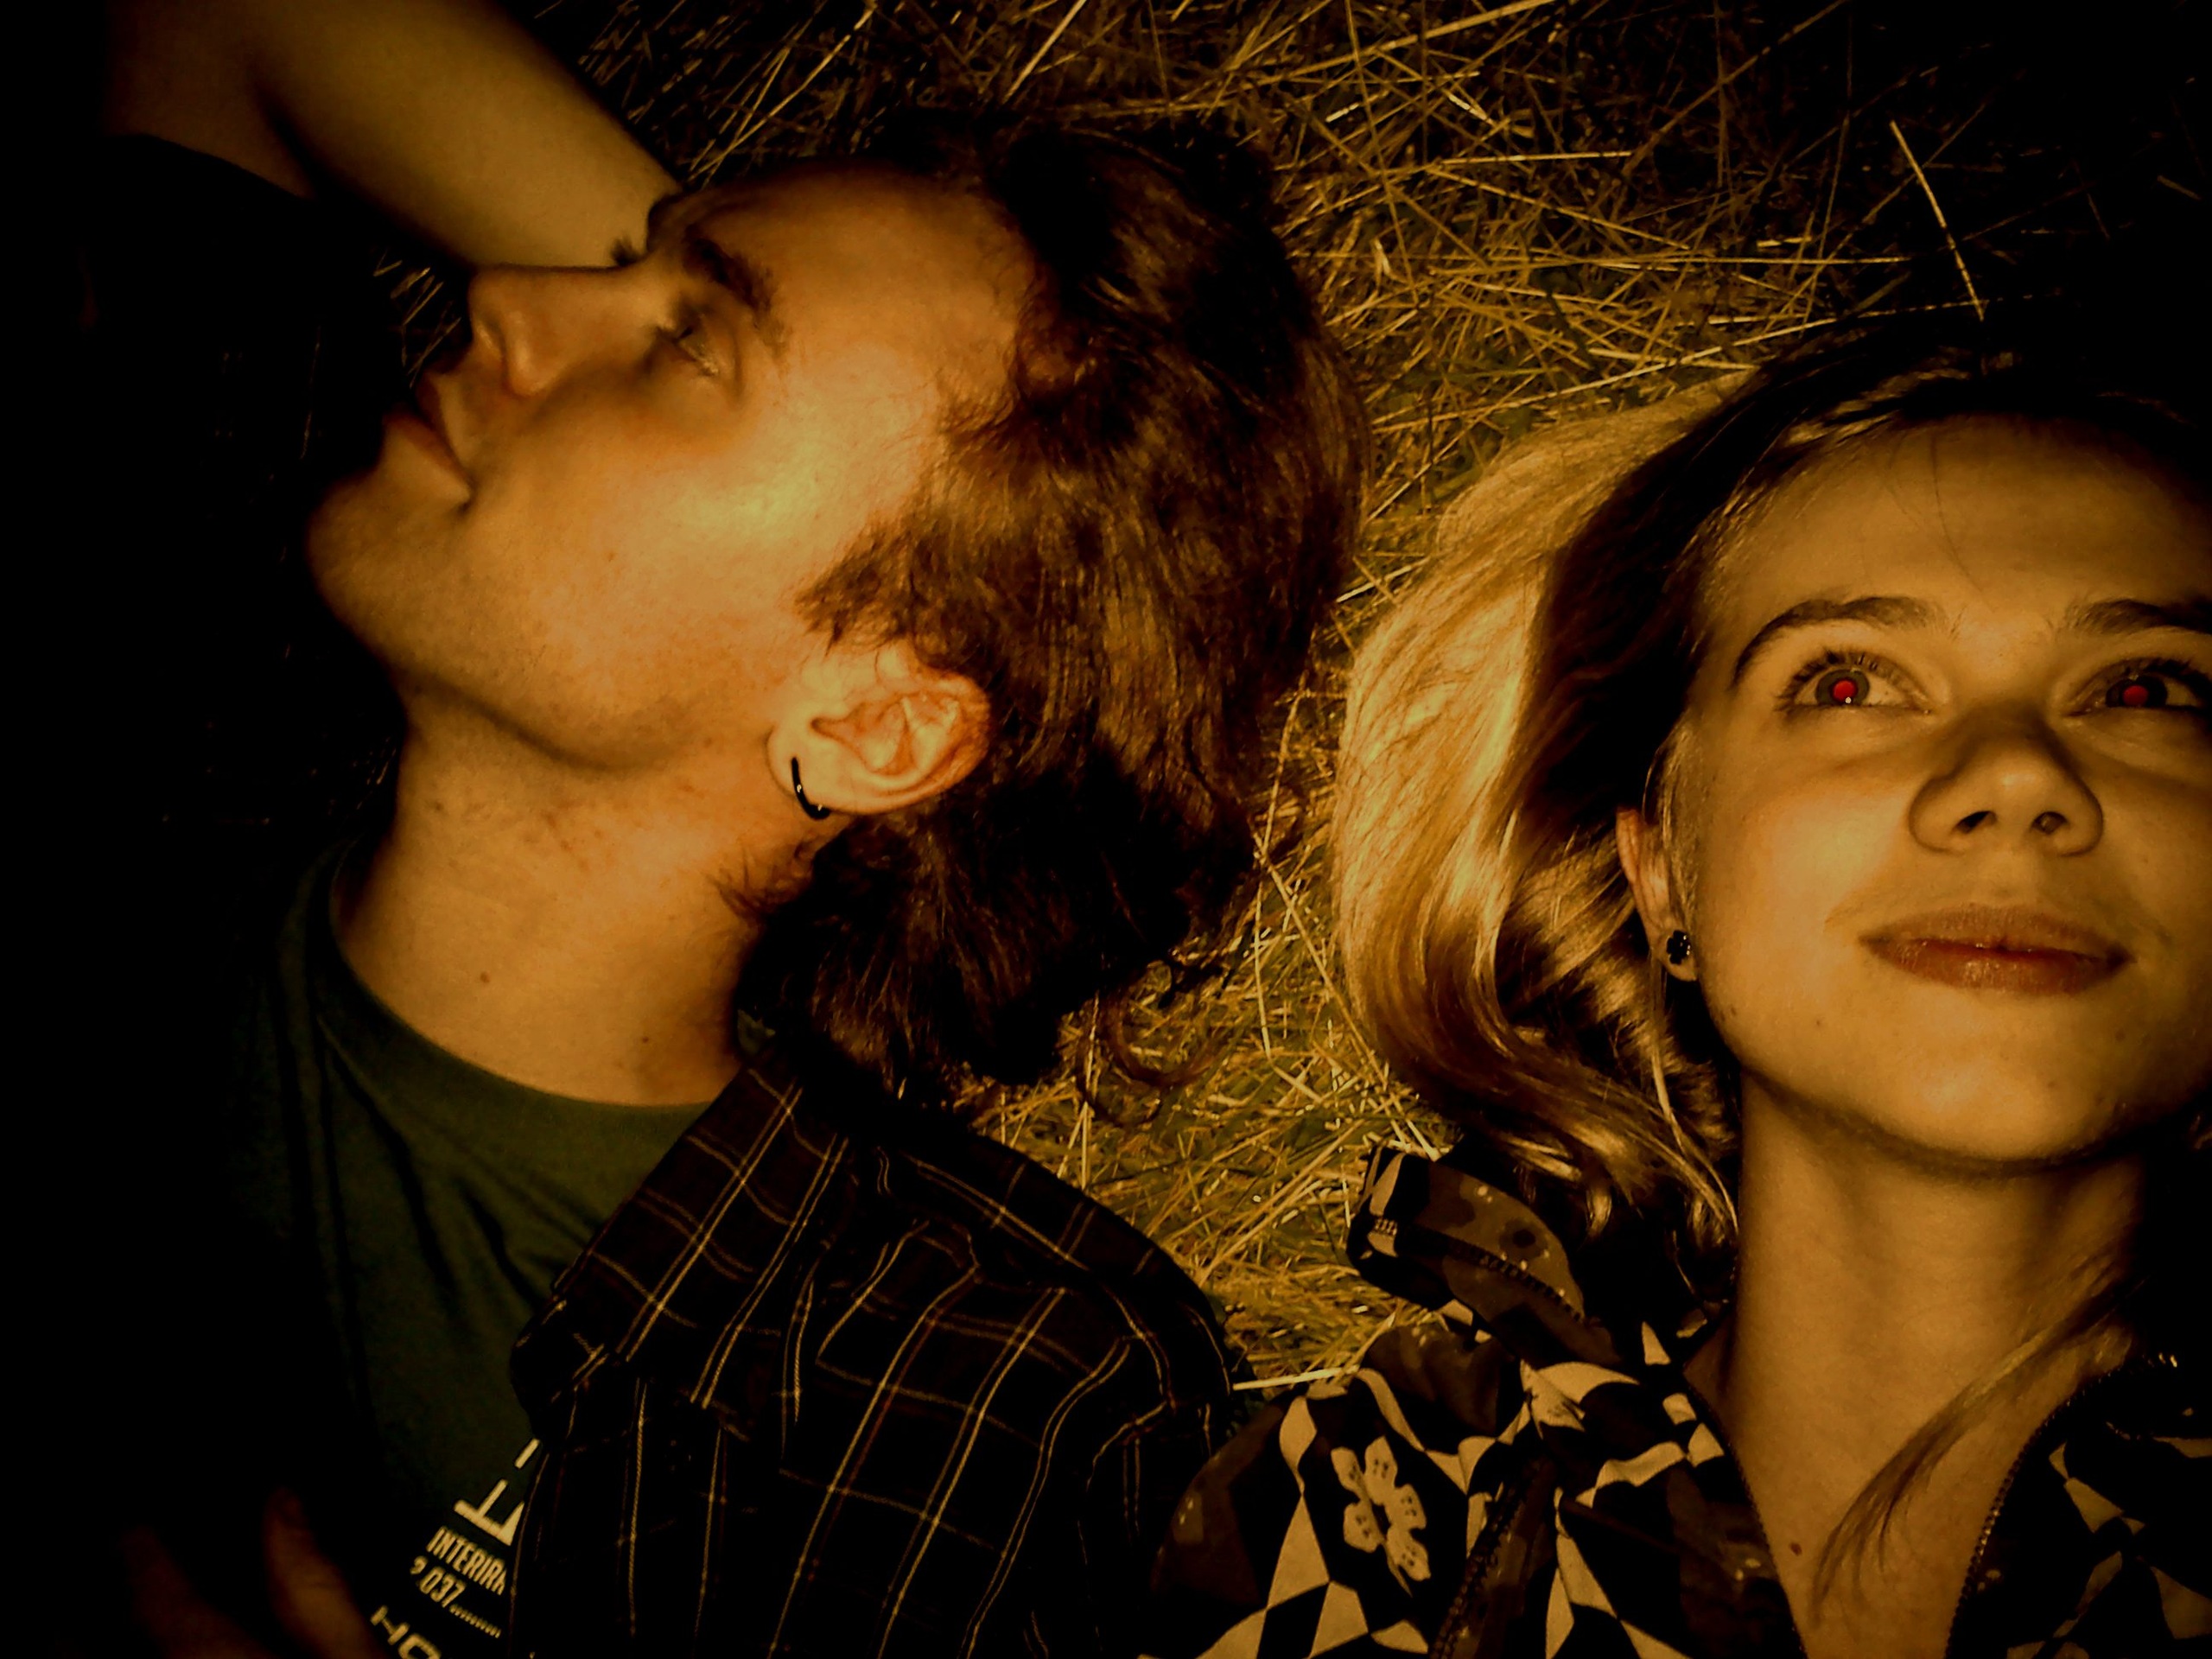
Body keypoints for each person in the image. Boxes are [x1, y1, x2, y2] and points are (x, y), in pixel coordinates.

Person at [73, 2, 1366, 1656]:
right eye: (629, 266)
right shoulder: (193, 690)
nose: (503, 292)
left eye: (688, 348)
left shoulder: (961, 1407)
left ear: (876, 730)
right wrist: (818, 312)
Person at [1141, 325, 2209, 1658]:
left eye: (2148, 689)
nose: (2016, 775)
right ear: (1661, 874)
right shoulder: (1359, 1527)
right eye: (1848, 682)